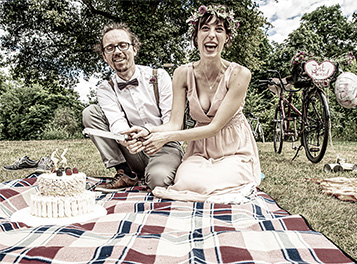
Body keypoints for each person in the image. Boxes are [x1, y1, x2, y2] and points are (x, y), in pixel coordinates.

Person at [124, 5, 261, 203]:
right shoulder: (182, 74)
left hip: (234, 150)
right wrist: (149, 132)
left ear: (227, 38)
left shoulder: (240, 74)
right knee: (186, 182)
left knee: (210, 186)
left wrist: (166, 138)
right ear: (196, 36)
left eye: (219, 29)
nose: (211, 35)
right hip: (200, 151)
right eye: (205, 28)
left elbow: (214, 127)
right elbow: (174, 124)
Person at [82, 22, 183, 192]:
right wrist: (127, 140)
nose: (117, 52)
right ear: (104, 56)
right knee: (90, 113)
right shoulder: (105, 88)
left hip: (164, 144)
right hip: (132, 150)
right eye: (110, 48)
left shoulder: (159, 77)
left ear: (134, 49)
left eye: (123, 45)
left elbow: (172, 121)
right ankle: (126, 173)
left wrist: (149, 133)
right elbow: (116, 122)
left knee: (158, 182)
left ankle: (156, 171)